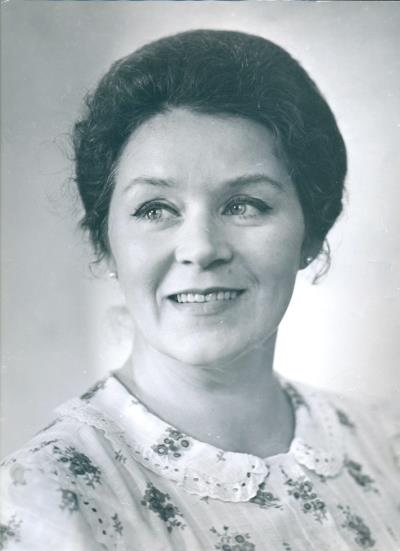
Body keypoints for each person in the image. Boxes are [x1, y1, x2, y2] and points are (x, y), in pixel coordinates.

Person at [1, 29, 399, 551]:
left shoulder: (386, 448)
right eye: (155, 209)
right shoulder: (48, 503)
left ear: (311, 234)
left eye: (245, 205)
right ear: (106, 244)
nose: (201, 248)